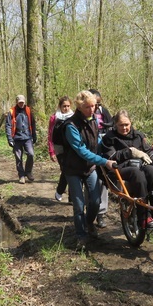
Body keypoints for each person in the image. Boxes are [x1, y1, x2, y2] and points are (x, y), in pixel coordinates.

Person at [61, 90, 116, 249]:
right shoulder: (71, 126)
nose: (92, 110)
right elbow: (82, 151)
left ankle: (88, 222)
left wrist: (112, 149)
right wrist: (104, 161)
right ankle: (81, 235)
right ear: (79, 107)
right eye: (87, 107)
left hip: (90, 168)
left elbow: (97, 140)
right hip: (73, 170)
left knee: (96, 201)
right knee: (79, 204)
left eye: (94, 106)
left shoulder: (92, 120)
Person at [101, 110, 153, 228]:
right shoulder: (109, 138)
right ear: (115, 125)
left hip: (138, 166)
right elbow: (111, 156)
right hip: (118, 169)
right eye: (121, 125)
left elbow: (149, 151)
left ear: (131, 123)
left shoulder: (138, 135)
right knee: (137, 173)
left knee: (152, 171)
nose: (124, 128)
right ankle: (144, 216)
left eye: (126, 124)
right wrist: (130, 152)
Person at [88, 89, 112, 228]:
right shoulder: (82, 117)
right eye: (93, 104)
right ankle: (88, 214)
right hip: (89, 154)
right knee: (90, 185)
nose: (95, 107)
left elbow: (112, 125)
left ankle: (101, 214)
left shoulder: (104, 111)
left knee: (103, 181)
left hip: (104, 148)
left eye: (97, 104)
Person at [6, 95, 37, 184]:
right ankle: (21, 175)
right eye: (19, 102)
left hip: (27, 137)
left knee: (31, 154)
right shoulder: (12, 111)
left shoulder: (28, 110)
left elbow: (33, 123)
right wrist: (10, 139)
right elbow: (8, 125)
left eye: (22, 102)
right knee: (18, 157)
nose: (21, 104)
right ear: (16, 102)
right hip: (16, 138)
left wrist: (34, 135)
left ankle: (28, 171)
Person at [48, 96, 74, 201]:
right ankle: (60, 190)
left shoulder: (74, 117)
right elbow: (50, 134)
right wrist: (51, 151)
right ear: (60, 106)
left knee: (72, 170)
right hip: (59, 147)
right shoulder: (54, 118)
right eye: (64, 106)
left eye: (68, 106)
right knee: (66, 169)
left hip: (71, 146)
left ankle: (72, 197)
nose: (66, 108)